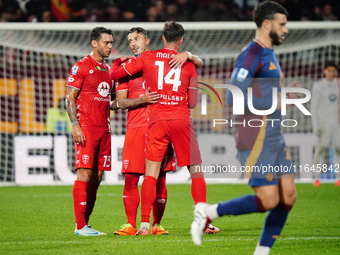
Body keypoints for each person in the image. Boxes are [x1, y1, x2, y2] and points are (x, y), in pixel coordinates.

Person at [191, 1, 298, 254]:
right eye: (282, 24)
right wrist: (276, 100)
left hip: (275, 136)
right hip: (255, 137)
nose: (286, 30)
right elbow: (232, 97)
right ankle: (207, 211)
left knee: (288, 197)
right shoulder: (252, 53)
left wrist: (284, 95)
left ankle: (262, 252)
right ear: (266, 23)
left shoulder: (269, 53)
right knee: (269, 200)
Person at [112, 26, 219, 235]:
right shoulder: (188, 64)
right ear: (180, 41)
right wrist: (187, 57)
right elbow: (194, 103)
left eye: (136, 39)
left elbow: (115, 74)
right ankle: (204, 222)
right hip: (180, 119)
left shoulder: (148, 58)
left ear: (159, 39)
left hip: (156, 121)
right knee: (195, 171)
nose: (133, 43)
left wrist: (118, 62)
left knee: (151, 176)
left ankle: (144, 224)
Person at [65, 26, 117, 236]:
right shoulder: (81, 66)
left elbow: (110, 101)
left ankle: (85, 224)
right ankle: (79, 226)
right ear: (94, 43)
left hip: (104, 129)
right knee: (84, 173)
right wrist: (75, 124)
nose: (110, 46)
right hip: (86, 127)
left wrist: (131, 102)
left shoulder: (108, 70)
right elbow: (69, 98)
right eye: (106, 42)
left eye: (111, 42)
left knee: (97, 176)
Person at [311, 60, 340, 187]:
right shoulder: (318, 86)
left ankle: (338, 178)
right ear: (324, 71)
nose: (331, 73)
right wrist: (315, 125)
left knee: (338, 149)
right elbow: (314, 107)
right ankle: (317, 178)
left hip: (337, 123)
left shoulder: (338, 84)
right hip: (323, 123)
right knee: (320, 149)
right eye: (329, 70)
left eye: (334, 71)